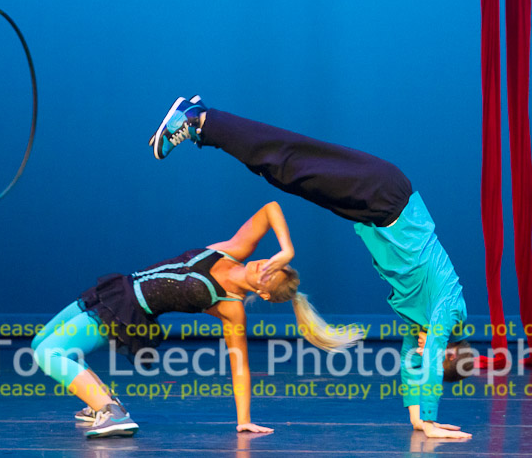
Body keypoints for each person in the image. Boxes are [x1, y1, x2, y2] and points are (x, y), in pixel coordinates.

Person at [149, 96, 475, 439]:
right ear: (451, 349)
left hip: (375, 210)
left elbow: (412, 362)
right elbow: (431, 353)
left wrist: (418, 420)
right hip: (386, 195)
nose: (421, 353)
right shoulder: (450, 310)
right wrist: (431, 419)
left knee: (286, 175)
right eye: (432, 356)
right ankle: (199, 119)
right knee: (291, 162)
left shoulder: (421, 324)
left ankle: (206, 128)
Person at [31, 201, 359, 438]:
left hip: (128, 312)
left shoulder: (231, 307)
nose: (264, 265)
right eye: (271, 263)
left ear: (264, 293)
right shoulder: (234, 249)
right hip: (118, 289)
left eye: (269, 274)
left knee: (50, 354)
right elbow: (271, 208)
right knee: (39, 342)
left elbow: (240, 365)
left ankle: (111, 413)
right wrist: (287, 251)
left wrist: (243, 420)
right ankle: (101, 401)